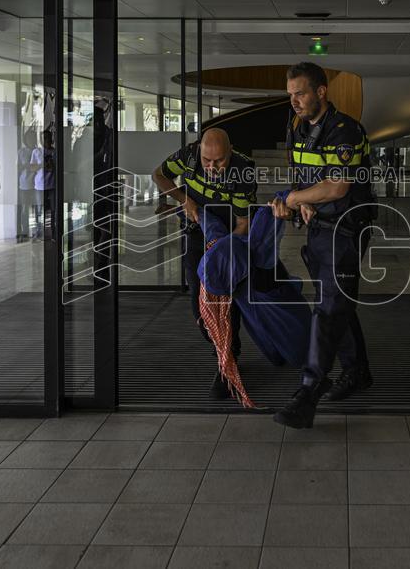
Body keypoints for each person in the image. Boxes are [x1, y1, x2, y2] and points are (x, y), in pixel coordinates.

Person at [271, 61, 376, 429]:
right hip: (319, 230)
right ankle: (356, 371)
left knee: (329, 309)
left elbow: (337, 186)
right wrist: (300, 205)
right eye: (290, 95)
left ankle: (308, 391)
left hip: (346, 232)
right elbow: (309, 182)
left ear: (320, 92)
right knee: (338, 305)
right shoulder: (301, 131)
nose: (294, 101)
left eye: (300, 93)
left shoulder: (344, 130)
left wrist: (298, 198)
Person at [152, 127, 257, 398]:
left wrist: (220, 250)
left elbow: (244, 224)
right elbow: (158, 174)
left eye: (219, 161)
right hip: (196, 236)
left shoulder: (243, 170)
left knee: (225, 303)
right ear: (199, 151)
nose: (212, 167)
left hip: (228, 241)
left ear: (230, 152)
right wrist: (184, 199)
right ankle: (221, 348)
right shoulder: (188, 156)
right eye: (207, 161)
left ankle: (226, 363)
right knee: (199, 308)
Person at [30, 129, 56, 239]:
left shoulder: (55, 152)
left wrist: (51, 164)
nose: (46, 140)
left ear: (52, 139)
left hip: (53, 185)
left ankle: (54, 232)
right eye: (44, 138)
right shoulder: (36, 152)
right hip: (40, 186)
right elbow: (32, 168)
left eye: (48, 137)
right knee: (40, 211)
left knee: (54, 210)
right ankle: (39, 232)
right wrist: (42, 165)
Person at [17, 130, 39, 242]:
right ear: (25, 139)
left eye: (33, 138)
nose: (31, 140)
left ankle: (37, 233)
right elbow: (17, 168)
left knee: (37, 210)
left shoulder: (38, 151)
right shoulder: (21, 152)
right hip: (24, 184)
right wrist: (26, 166)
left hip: (37, 184)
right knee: (25, 210)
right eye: (29, 138)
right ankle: (24, 232)